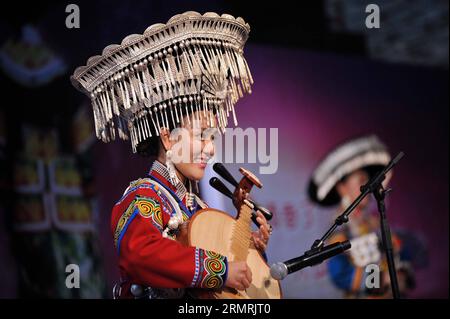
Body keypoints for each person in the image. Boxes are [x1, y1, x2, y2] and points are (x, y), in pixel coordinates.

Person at [71, 11, 271, 299]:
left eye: (211, 138)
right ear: (167, 136)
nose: (210, 148)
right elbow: (140, 253)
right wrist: (221, 270)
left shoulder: (197, 207)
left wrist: (249, 246)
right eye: (201, 135)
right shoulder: (144, 196)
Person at [308, 135, 415, 298]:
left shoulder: (374, 221)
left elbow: (396, 252)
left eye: (369, 180)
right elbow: (341, 276)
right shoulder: (337, 228)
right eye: (361, 180)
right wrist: (381, 280)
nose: (367, 185)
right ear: (342, 187)